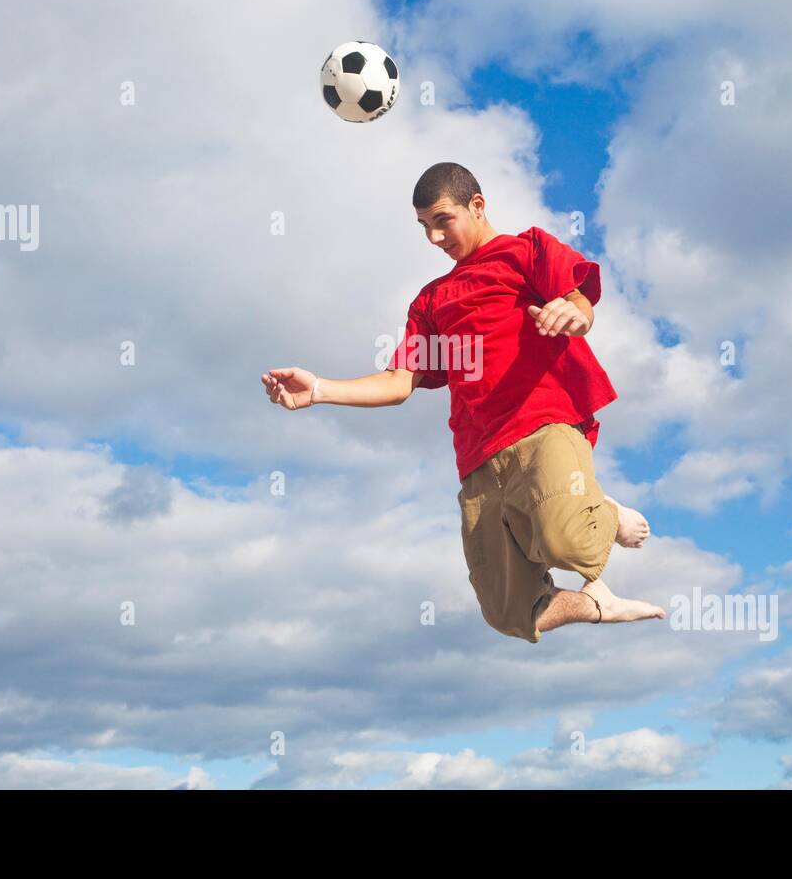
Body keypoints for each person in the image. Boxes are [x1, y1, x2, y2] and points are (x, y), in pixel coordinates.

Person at [262, 162, 664, 643]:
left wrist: (576, 314)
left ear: (477, 205)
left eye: (442, 220)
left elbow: (578, 301)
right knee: (509, 613)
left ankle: (600, 513)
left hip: (542, 426)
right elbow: (398, 382)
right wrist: (320, 390)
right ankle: (597, 603)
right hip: (478, 458)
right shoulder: (430, 301)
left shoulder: (526, 250)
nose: (434, 237)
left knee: (567, 541)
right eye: (423, 226)